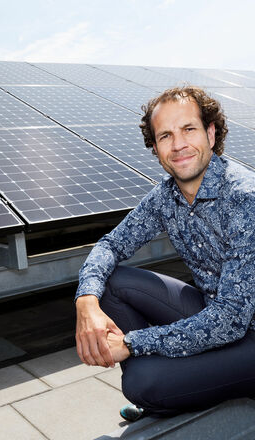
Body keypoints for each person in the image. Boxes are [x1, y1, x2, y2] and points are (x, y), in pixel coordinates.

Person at [75, 85, 255, 421]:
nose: (179, 145)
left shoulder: (245, 198)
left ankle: (167, 389)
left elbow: (231, 321)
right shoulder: (164, 198)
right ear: (156, 148)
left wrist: (130, 343)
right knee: (111, 284)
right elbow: (110, 245)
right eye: (165, 136)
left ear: (211, 134)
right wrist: (85, 301)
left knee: (143, 384)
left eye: (189, 129)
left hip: (246, 331)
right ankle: (179, 384)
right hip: (213, 312)